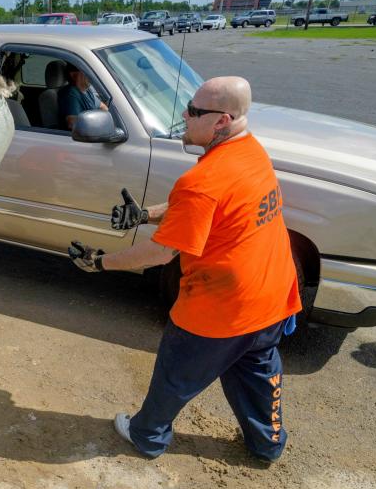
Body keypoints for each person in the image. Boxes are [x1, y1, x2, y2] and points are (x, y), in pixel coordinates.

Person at [69, 76, 301, 462]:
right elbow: (210, 211)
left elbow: (162, 253)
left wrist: (100, 263)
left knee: (175, 376)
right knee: (258, 374)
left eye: (193, 111)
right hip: (272, 297)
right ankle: (268, 443)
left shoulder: (202, 180)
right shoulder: (252, 152)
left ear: (221, 121)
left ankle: (147, 436)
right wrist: (146, 214)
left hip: (221, 308)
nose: (184, 114)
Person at [58, 64, 107, 130]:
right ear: (73, 75)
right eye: (86, 73)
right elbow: (72, 123)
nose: (91, 76)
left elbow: (103, 107)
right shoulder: (71, 93)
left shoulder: (87, 90)